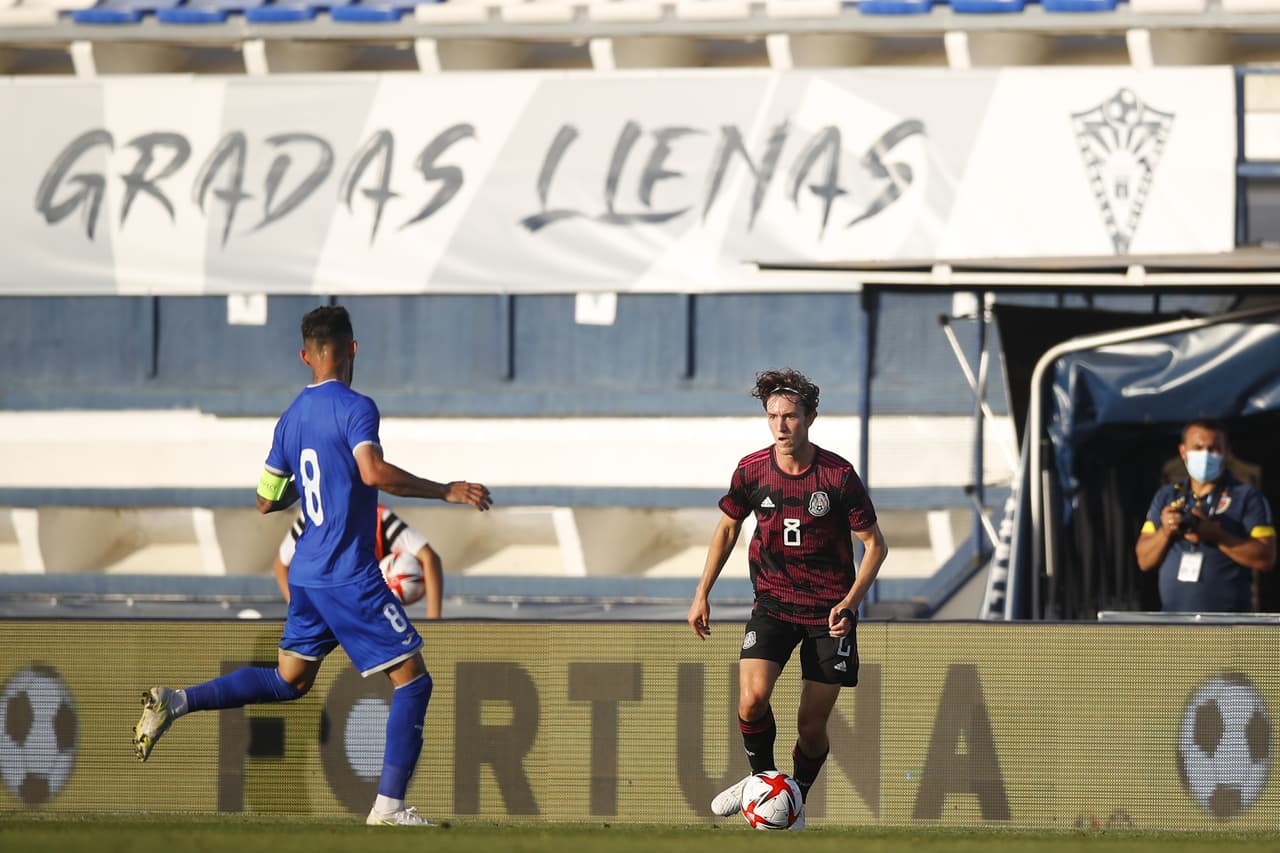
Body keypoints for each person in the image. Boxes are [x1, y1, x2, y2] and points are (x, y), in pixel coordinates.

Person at [132, 305, 492, 826]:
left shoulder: (290, 418)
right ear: (352, 350)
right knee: (414, 681)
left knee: (289, 680)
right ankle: (389, 808)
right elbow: (371, 470)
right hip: (348, 572)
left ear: (305, 356)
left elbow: (263, 500)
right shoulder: (357, 407)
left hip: (306, 572)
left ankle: (177, 701)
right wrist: (445, 490)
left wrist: (314, 481)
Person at [686, 368, 888, 828]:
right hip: (773, 603)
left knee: (810, 727)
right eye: (773, 415)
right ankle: (763, 783)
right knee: (751, 700)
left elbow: (875, 546)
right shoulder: (752, 469)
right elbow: (728, 528)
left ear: (810, 417)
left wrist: (851, 603)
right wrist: (702, 593)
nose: (781, 425)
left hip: (828, 612)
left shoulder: (837, 477)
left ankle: (792, 796)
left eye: (791, 416)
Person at [1135, 418, 1275, 613]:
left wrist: (1216, 535)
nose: (1205, 455)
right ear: (1183, 452)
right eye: (1198, 448)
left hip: (1228, 625)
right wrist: (1166, 531)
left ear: (1227, 452)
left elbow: (1266, 558)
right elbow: (1143, 560)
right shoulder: (1167, 495)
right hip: (1175, 623)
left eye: (1214, 449)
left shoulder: (1246, 496)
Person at [274, 504, 444, 619]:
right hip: (326, 608)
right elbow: (282, 564)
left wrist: (434, 621)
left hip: (366, 612)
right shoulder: (313, 515)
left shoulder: (379, 517)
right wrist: (299, 611)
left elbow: (429, 557)